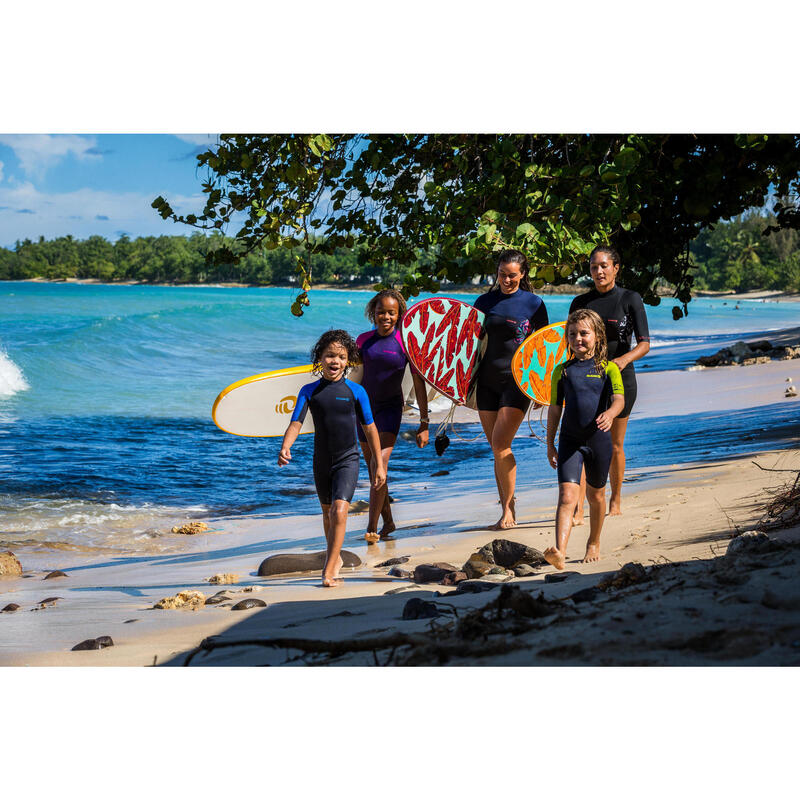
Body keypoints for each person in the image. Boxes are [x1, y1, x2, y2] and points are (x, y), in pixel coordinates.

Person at [278, 329, 386, 587]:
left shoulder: (356, 392)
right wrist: (286, 446)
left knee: (340, 509)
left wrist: (379, 464)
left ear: (348, 361)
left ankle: (328, 570)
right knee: (328, 513)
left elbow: (370, 428)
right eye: (329, 355)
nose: (334, 361)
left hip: (348, 459)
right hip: (321, 461)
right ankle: (334, 557)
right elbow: (296, 422)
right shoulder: (309, 391)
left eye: (340, 356)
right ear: (320, 358)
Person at [569, 245, 650, 518]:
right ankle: (579, 507)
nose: (599, 271)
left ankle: (615, 499)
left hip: (621, 378)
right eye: (594, 267)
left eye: (604, 265)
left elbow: (645, 344)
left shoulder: (630, 298)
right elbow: (569, 344)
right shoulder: (580, 302)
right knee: (582, 443)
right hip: (585, 379)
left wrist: (622, 361)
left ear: (616, 267)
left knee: (615, 444)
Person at [544, 309, 624, 569]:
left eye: (584, 333)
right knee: (567, 496)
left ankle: (594, 541)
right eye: (572, 334)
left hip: (598, 440)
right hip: (570, 440)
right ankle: (560, 552)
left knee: (596, 497)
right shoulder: (562, 371)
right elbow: (555, 408)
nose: (578, 338)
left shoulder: (608, 369)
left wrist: (610, 414)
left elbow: (619, 400)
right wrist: (550, 442)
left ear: (598, 336)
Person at [474, 249, 549, 529]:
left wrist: (542, 389)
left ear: (523, 274)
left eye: (513, 275)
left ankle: (507, 510)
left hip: (517, 382)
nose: (507, 280)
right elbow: (469, 345)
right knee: (496, 448)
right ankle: (509, 504)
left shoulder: (533, 303)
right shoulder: (484, 302)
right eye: (503, 274)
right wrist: (457, 384)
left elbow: (544, 347)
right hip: (486, 382)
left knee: (502, 444)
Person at [356, 289, 429, 543]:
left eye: (391, 312)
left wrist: (424, 421)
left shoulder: (406, 341)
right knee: (374, 471)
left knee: (379, 466)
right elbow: (352, 377)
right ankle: (388, 522)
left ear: (399, 315)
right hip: (363, 413)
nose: (385, 316)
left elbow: (419, 383)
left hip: (389, 409)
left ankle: (372, 528)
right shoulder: (363, 340)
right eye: (380, 312)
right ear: (372, 313)